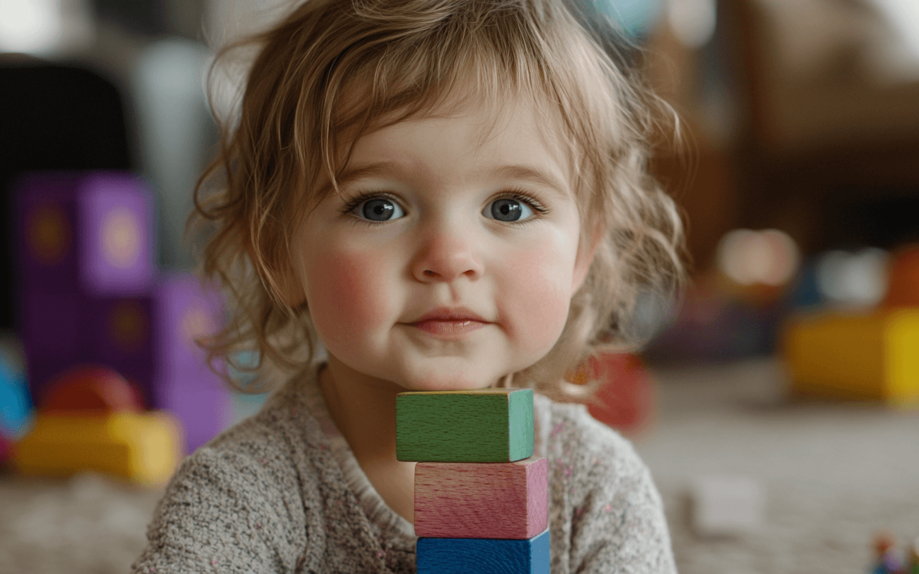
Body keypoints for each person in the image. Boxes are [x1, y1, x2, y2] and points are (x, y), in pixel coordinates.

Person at [132, 0, 685, 572]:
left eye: (510, 207)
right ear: (277, 253)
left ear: (581, 254)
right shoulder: (238, 496)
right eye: (378, 206)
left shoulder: (600, 489)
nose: (449, 258)